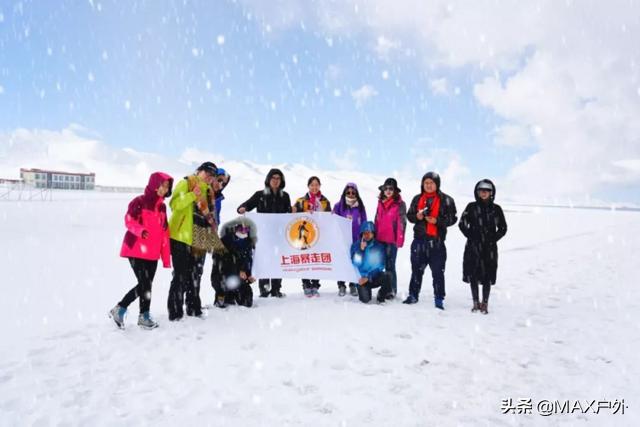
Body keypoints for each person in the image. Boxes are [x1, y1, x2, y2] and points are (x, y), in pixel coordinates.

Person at [109, 172, 173, 330]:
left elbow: (165, 233)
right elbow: (129, 220)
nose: (164, 189)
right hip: (136, 250)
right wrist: (140, 230)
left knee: (147, 285)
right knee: (145, 283)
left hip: (152, 253)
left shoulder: (163, 207)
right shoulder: (139, 201)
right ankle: (120, 308)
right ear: (154, 184)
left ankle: (144, 316)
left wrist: (165, 257)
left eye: (167, 187)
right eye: (162, 185)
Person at [167, 161, 217, 321]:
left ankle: (193, 307)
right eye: (207, 173)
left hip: (201, 235)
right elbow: (174, 204)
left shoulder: (209, 191)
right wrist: (191, 195)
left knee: (196, 274)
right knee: (180, 274)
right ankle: (175, 311)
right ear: (199, 171)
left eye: (212, 175)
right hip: (181, 236)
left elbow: (210, 215)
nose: (209, 177)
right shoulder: (186, 183)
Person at [403, 172, 457, 309]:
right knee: (416, 270)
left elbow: (453, 218)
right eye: (426, 183)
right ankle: (413, 295)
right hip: (419, 241)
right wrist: (417, 217)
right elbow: (409, 216)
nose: (428, 185)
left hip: (437, 242)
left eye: (431, 183)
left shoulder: (446, 200)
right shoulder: (417, 199)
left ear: (437, 184)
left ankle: (439, 299)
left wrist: (437, 221)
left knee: (438, 272)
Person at [237, 168, 291, 297]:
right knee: (264, 260)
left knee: (278, 261)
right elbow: (247, 205)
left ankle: (276, 289)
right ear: (268, 179)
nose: (276, 181)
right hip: (263, 235)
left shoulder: (285, 196)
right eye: (273, 178)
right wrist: (242, 208)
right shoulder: (259, 195)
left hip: (279, 235)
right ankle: (264, 289)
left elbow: (289, 214)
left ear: (281, 181)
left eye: (278, 178)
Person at [459, 179, 507, 314]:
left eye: (487, 190)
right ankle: (475, 302)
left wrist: (493, 239)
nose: (484, 192)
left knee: (488, 275)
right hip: (473, 246)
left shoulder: (496, 209)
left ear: (491, 192)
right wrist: (471, 236)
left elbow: (503, 228)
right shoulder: (471, 207)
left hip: (489, 248)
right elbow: (462, 224)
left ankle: (485, 303)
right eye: (481, 190)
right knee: (473, 273)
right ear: (477, 192)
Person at [292, 176, 331, 297]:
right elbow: (293, 215)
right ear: (308, 186)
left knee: (316, 259)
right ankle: (306, 284)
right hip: (304, 236)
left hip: (319, 235)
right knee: (304, 259)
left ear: (320, 186)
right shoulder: (301, 200)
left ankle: (315, 284)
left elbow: (329, 217)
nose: (314, 187)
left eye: (316, 185)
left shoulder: (325, 201)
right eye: (312, 185)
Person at [211, 217, 257, 308]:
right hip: (223, 277)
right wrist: (238, 271)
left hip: (239, 279)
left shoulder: (248, 243)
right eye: (241, 229)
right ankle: (223, 295)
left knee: (246, 302)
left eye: (246, 229)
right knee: (224, 302)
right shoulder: (223, 243)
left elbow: (248, 261)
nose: (244, 232)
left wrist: (249, 275)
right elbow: (222, 264)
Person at [374, 177, 407, 299]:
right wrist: (374, 236)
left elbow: (402, 223)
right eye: (386, 188)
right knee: (380, 265)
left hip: (391, 241)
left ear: (395, 191)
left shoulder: (400, 204)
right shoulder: (380, 203)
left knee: (390, 265)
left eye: (391, 189)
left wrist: (399, 239)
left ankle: (392, 290)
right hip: (380, 239)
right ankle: (385, 288)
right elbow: (376, 220)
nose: (388, 191)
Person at [332, 183, 367, 296]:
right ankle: (341, 285)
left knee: (354, 262)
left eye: (353, 192)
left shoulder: (360, 206)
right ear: (344, 193)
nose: (351, 194)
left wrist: (364, 237)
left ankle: (353, 284)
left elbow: (364, 222)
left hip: (356, 240)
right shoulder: (338, 205)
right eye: (348, 192)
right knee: (342, 262)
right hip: (342, 240)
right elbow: (333, 221)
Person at [350, 221, 393, 304]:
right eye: (365, 233)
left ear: (373, 234)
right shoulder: (355, 245)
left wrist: (369, 277)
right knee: (365, 300)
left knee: (388, 276)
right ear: (361, 234)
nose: (367, 235)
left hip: (373, 277)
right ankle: (364, 291)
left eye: (369, 233)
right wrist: (361, 250)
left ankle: (381, 296)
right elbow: (355, 263)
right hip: (361, 279)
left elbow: (381, 265)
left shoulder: (379, 247)